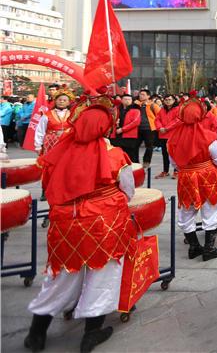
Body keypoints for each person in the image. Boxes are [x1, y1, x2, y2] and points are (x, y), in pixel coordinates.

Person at [25, 95, 135, 353]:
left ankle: (36, 333)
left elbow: (48, 187)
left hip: (66, 223)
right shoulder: (115, 155)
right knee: (103, 274)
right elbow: (127, 190)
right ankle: (91, 333)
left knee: (61, 276)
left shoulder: (59, 152)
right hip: (103, 222)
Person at [167, 95, 217, 261]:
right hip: (207, 176)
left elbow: (174, 162)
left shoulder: (172, 139)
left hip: (186, 177)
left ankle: (194, 247)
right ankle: (209, 248)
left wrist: (186, 169)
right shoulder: (208, 137)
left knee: (187, 210)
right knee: (211, 209)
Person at [34, 89, 74, 157]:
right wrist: (38, 146)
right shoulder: (47, 115)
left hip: (67, 142)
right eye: (59, 100)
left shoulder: (73, 115)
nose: (61, 102)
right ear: (55, 101)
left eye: (64, 100)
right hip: (50, 143)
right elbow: (40, 131)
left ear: (69, 103)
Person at [133, 89, 160, 170]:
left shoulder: (153, 105)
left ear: (148, 96)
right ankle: (136, 163)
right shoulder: (136, 104)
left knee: (149, 146)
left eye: (143, 94)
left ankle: (146, 162)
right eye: (140, 94)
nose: (141, 96)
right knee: (135, 146)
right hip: (138, 128)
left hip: (150, 128)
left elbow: (160, 115)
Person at [154, 94, 179, 178]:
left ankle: (176, 171)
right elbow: (157, 119)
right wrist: (160, 127)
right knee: (164, 153)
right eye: (166, 99)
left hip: (173, 135)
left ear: (174, 100)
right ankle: (165, 171)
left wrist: (166, 128)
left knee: (174, 154)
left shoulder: (178, 109)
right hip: (163, 135)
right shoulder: (162, 110)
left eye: (169, 99)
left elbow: (177, 120)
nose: (168, 101)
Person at [112, 94, 140, 162]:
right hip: (116, 135)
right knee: (117, 155)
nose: (127, 101)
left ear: (132, 101)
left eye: (129, 99)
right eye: (125, 99)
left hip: (129, 136)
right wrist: (115, 123)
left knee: (130, 155)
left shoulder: (136, 110)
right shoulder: (116, 109)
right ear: (121, 100)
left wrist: (122, 129)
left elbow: (135, 122)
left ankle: (132, 171)